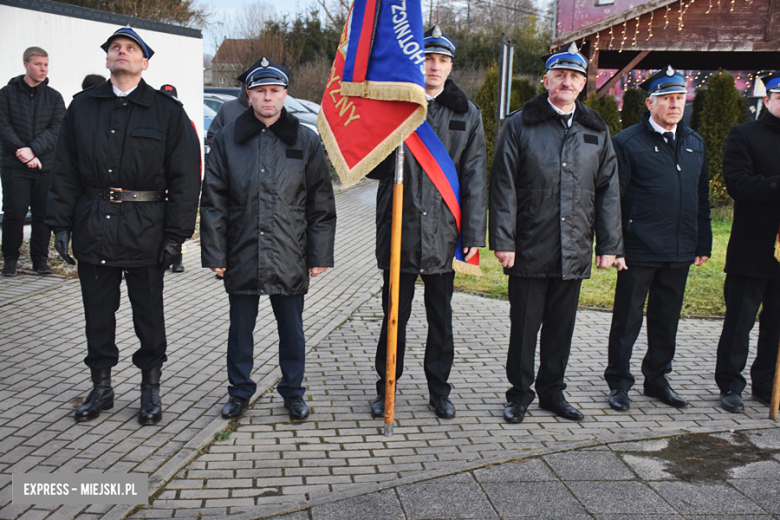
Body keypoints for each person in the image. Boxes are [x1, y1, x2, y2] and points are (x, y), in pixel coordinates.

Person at [45, 26, 201, 424]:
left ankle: (150, 390)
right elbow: (63, 170)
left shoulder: (167, 112)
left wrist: (176, 236)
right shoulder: (82, 107)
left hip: (145, 228)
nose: (121, 53)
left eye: (130, 48)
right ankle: (101, 388)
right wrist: (60, 224)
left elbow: (185, 178)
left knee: (148, 313)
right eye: (115, 47)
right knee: (97, 313)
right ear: (107, 59)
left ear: (144, 62)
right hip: (94, 224)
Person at [489, 43, 624, 424]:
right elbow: (503, 186)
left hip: (575, 246)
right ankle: (519, 394)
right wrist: (503, 240)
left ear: (583, 84)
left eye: (575, 77)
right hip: (529, 244)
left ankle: (553, 392)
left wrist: (610, 244)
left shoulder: (596, 129)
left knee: (561, 330)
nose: (567, 82)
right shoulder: (520, 124)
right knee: (525, 329)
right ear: (546, 80)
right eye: (560, 75)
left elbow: (608, 188)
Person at [200, 57, 336, 421]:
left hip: (289, 250)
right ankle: (239, 392)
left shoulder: (305, 140)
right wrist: (215, 251)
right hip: (242, 248)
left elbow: (321, 201)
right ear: (249, 95)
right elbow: (212, 200)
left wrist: (319, 252)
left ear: (285, 95)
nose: (267, 98)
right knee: (240, 331)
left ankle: (293, 391)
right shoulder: (228, 138)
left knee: (292, 330)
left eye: (274, 91)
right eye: (260, 91)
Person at [366, 26, 487, 420]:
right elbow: (372, 166)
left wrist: (473, 235)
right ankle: (387, 386)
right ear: (417, 62)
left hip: (444, 234)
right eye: (427, 59)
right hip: (399, 229)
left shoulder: (467, 112)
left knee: (441, 321)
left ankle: (439, 391)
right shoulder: (397, 105)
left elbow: (474, 177)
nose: (434, 67)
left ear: (451, 66)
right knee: (393, 318)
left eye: (442, 61)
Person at [604, 66, 712, 412]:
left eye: (679, 98)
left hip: (679, 248)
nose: (674, 104)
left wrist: (703, 242)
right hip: (638, 248)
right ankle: (619, 383)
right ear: (650, 102)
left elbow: (701, 198)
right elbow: (614, 199)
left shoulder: (694, 143)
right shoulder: (627, 142)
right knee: (627, 320)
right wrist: (615, 245)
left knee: (666, 319)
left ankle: (657, 379)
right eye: (667, 98)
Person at [716, 73, 780, 413]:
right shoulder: (744, 135)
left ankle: (766, 384)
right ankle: (730, 384)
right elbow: (738, 184)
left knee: (776, 325)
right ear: (768, 99)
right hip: (752, 249)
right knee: (739, 322)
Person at [0, 46, 65, 276]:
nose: (43, 68)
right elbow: (3, 126)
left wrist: (33, 151)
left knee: (42, 215)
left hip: (44, 165)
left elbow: (57, 129)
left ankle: (40, 260)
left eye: (46, 64)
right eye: (38, 64)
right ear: (26, 64)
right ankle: (10, 259)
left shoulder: (54, 97)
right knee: (14, 213)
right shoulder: (6, 94)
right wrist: (22, 151)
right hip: (13, 166)